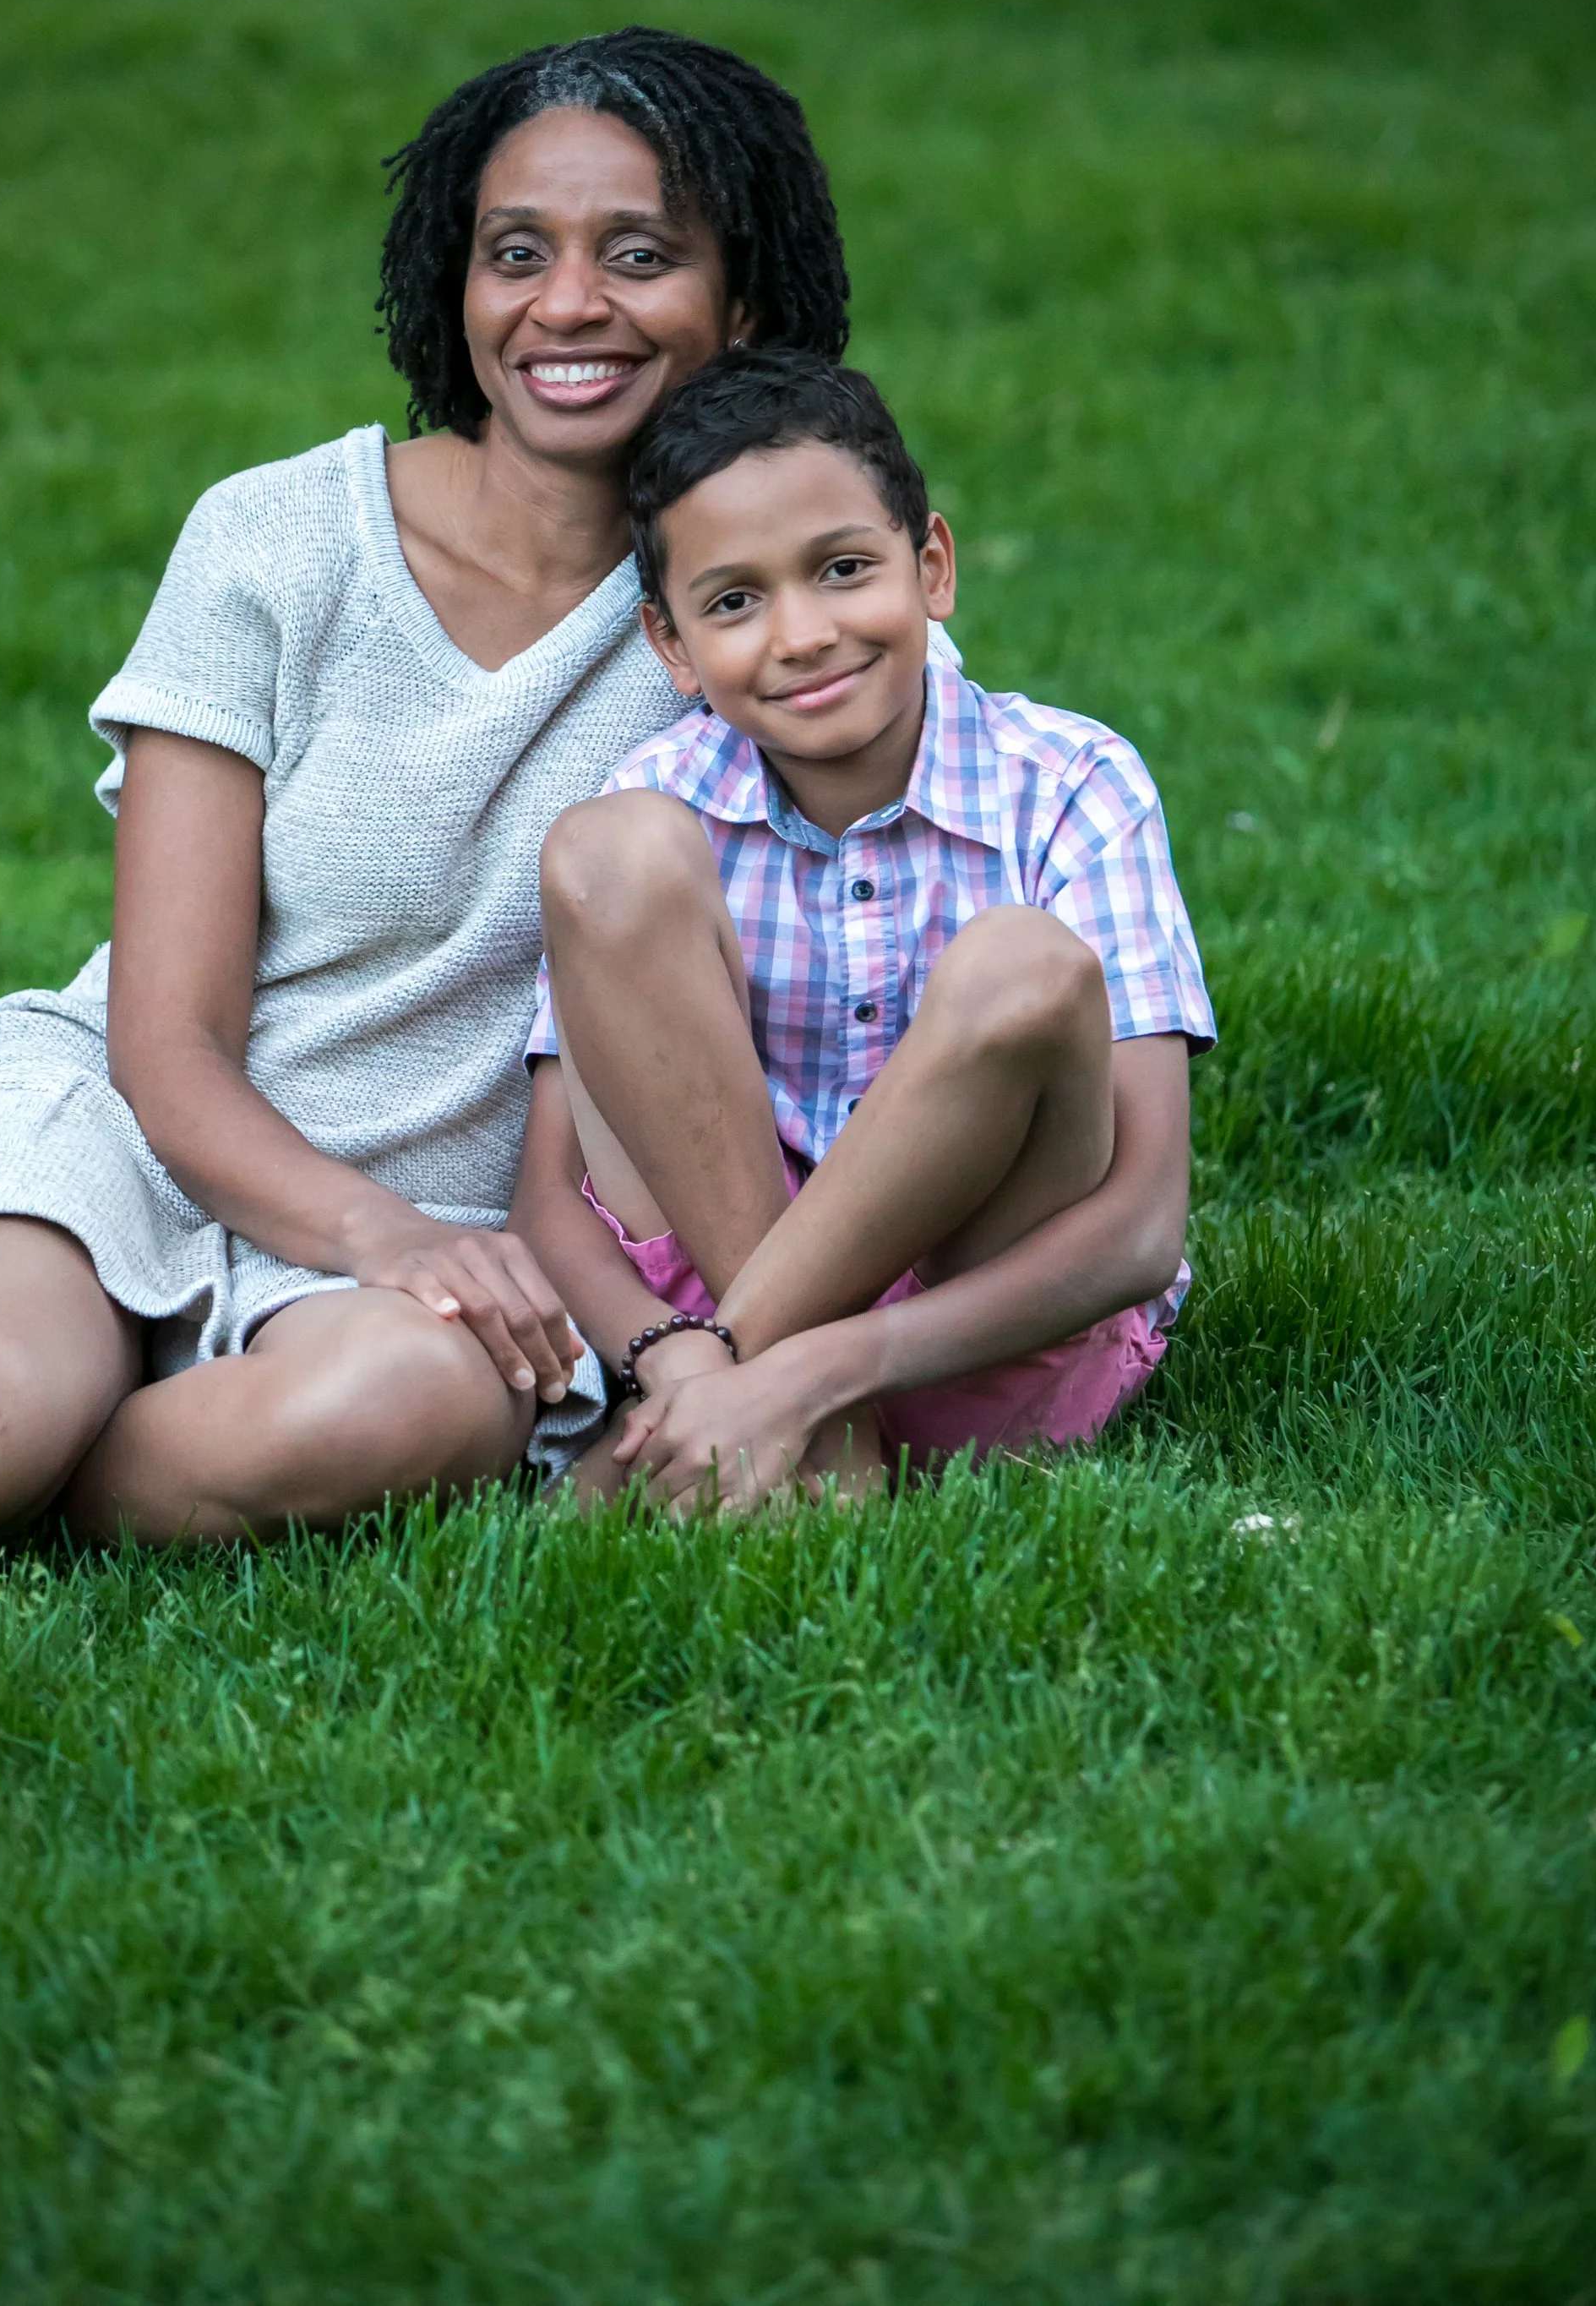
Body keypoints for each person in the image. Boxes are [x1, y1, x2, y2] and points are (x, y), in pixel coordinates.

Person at [0, 31, 852, 1540]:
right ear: (452, 285)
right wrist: (372, 1229)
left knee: (412, 1411)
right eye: (514, 252)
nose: (566, 303)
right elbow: (169, 1039)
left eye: (639, 253)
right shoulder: (277, 540)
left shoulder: (775, 616)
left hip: (456, 1252)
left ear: (749, 297)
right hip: (137, 1139)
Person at [508, 346, 1215, 1513]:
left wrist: (804, 1370)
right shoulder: (658, 793)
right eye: (735, 600)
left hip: (981, 1329)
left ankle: (775, 1426)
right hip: (704, 1302)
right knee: (604, 850)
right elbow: (550, 1195)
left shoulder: (1078, 783)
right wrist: (676, 1358)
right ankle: (809, 1451)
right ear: (672, 646)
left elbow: (1140, 1230)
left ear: (931, 565)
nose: (801, 633)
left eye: (842, 568)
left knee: (1022, 962)